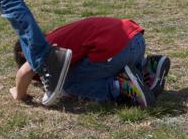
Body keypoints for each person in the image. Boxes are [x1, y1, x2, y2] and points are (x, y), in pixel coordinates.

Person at [11, 17, 171, 108]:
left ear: (23, 53)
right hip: (136, 39)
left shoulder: (36, 47)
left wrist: (19, 94)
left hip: (116, 51)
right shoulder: (59, 36)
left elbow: (24, 72)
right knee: (87, 71)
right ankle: (146, 68)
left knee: (63, 84)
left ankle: (119, 87)